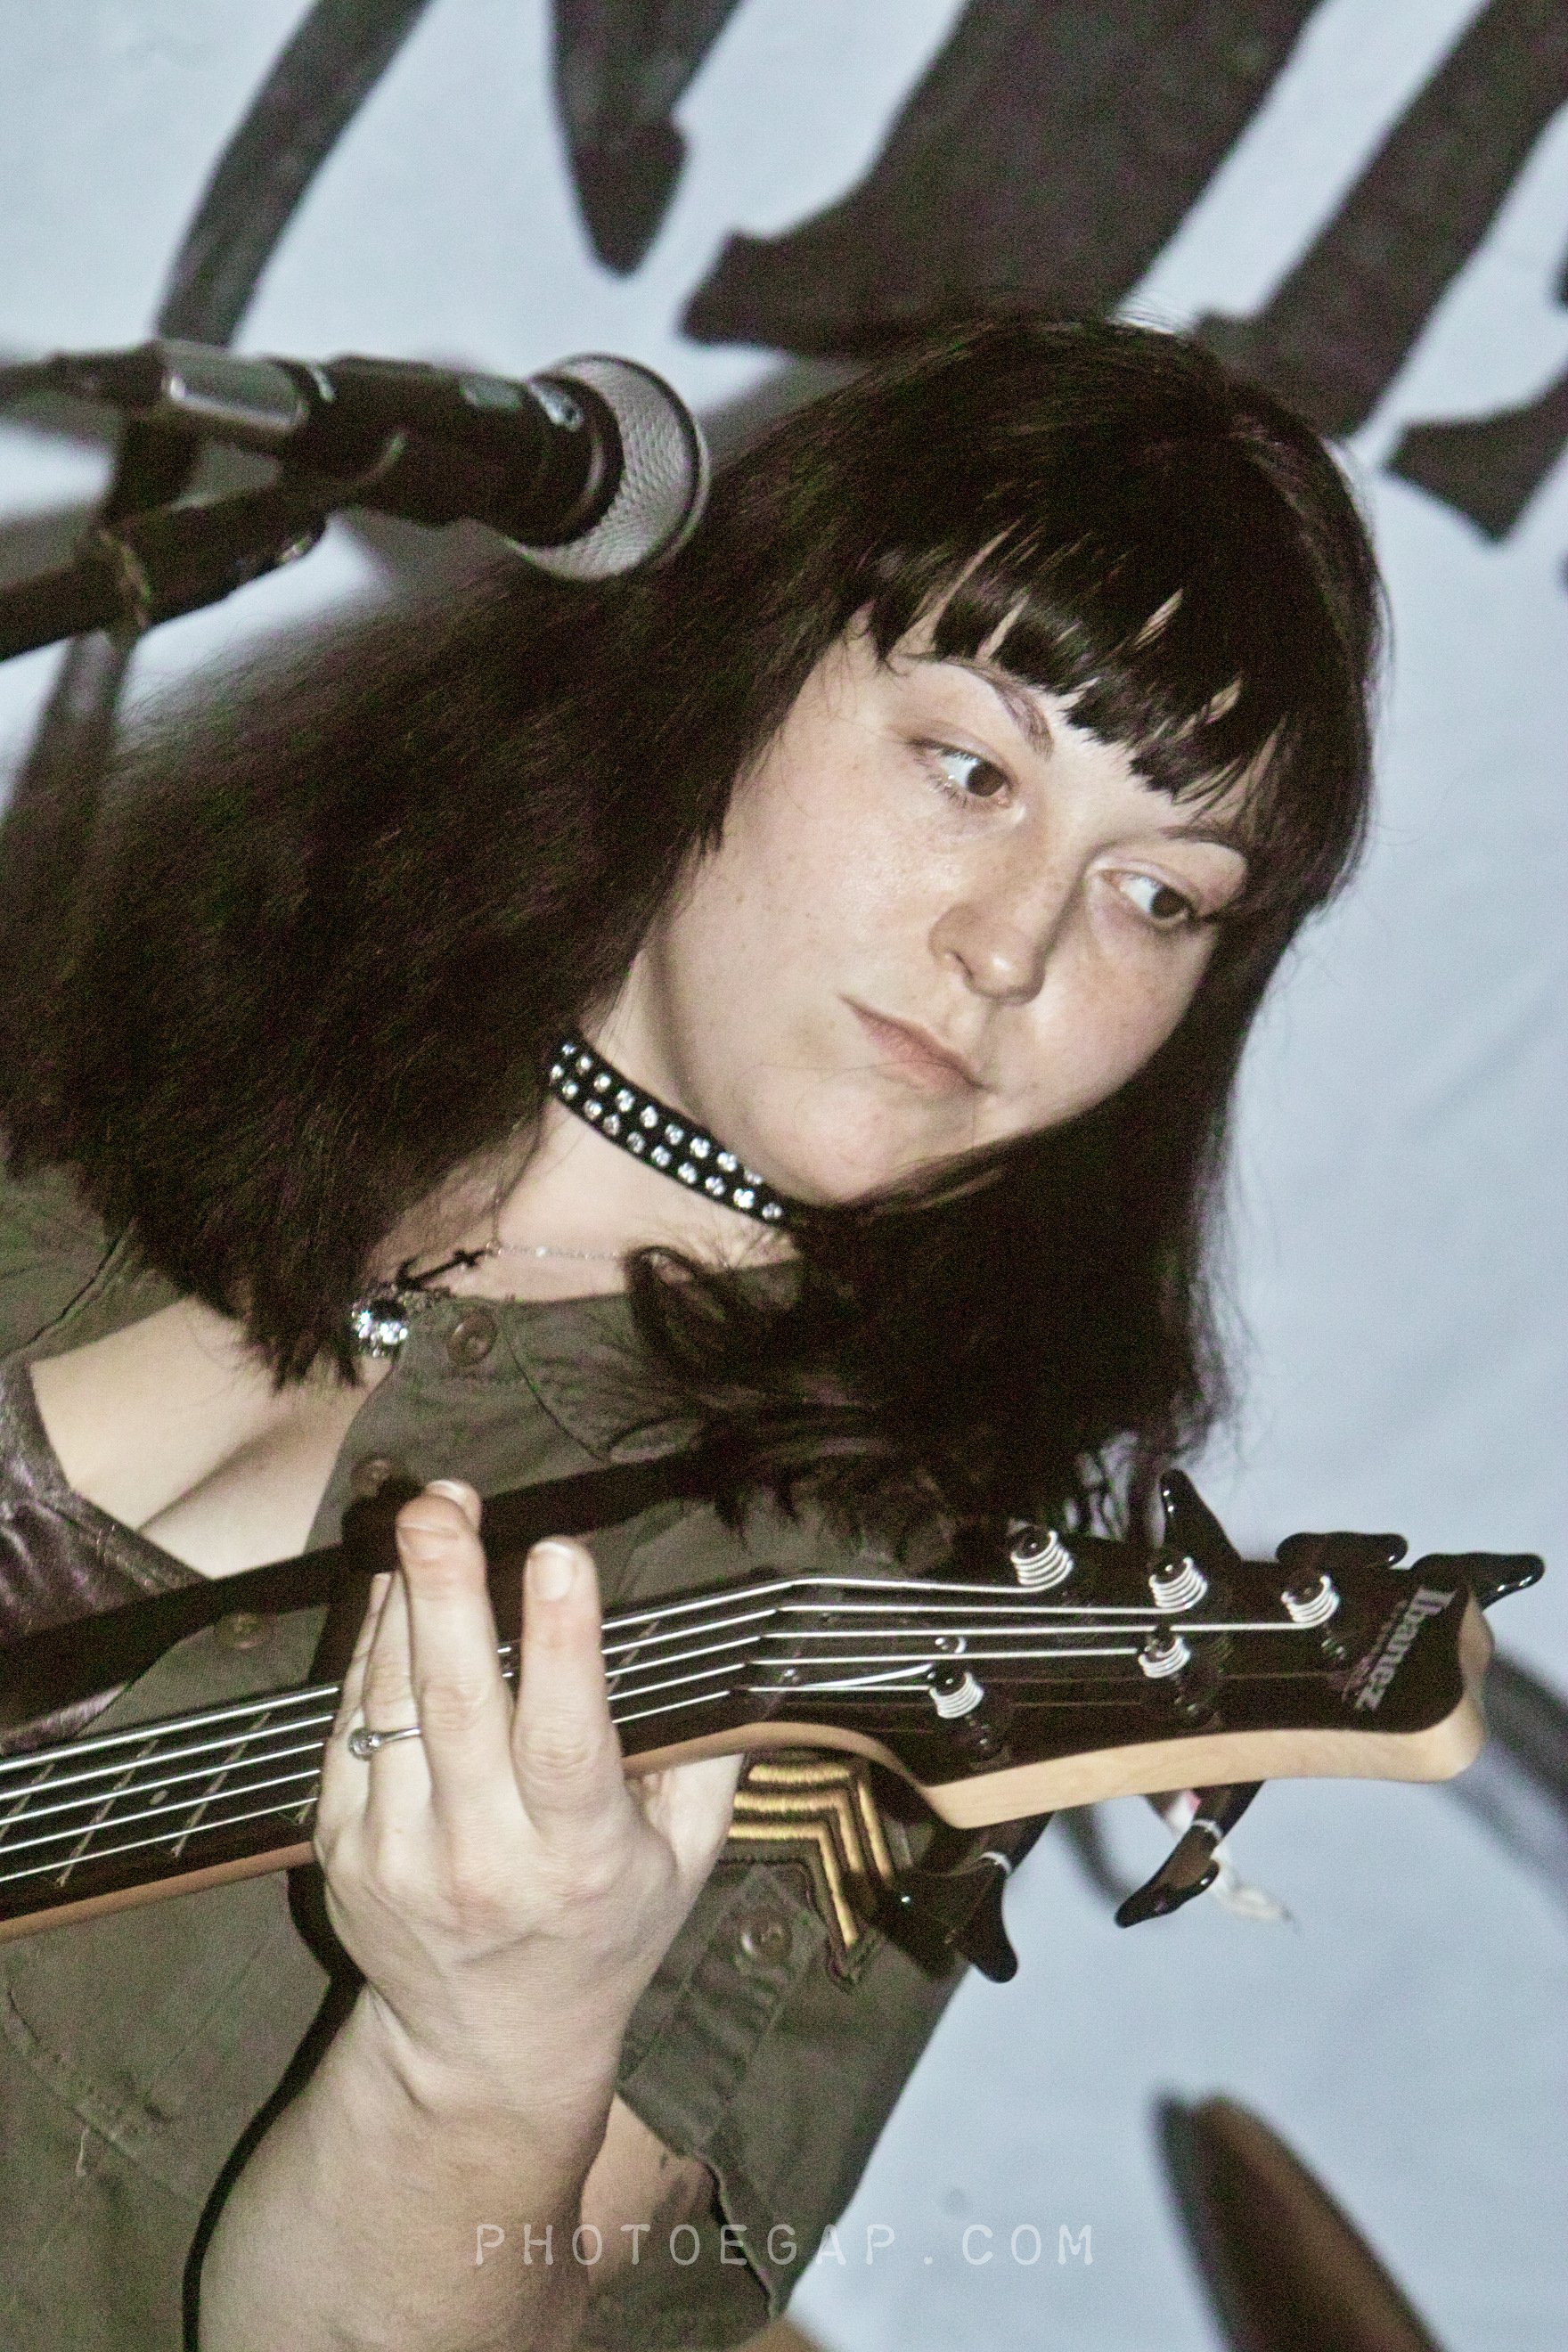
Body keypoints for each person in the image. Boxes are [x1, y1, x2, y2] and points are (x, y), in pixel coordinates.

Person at [0, 315, 1379, 2351]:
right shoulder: (155, 1003)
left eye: (1158, 897)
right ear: (737, 660)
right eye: (972, 770)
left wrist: (483, 2072)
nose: (1011, 947)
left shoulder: (896, 1642)